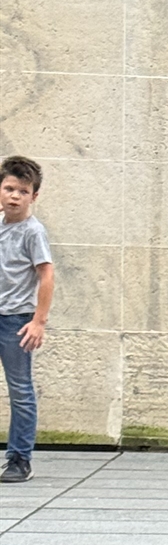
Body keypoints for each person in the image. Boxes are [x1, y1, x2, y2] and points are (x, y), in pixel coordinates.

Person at [0, 156, 53, 486]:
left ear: (33, 196)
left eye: (23, 190)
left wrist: (38, 321)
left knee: (20, 390)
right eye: (9, 188)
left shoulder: (33, 232)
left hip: (16, 320)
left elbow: (46, 275)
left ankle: (20, 458)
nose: (14, 195)